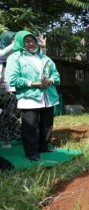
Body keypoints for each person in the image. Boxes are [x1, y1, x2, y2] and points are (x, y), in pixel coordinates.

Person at [6, 30, 60, 161]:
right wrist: (32, 83)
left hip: (48, 95)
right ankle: (32, 152)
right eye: (27, 41)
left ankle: (44, 145)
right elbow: (12, 79)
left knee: (47, 124)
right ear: (20, 43)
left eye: (32, 41)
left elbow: (56, 75)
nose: (31, 44)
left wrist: (50, 81)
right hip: (29, 96)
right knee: (31, 125)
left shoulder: (44, 58)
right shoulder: (15, 58)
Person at [0, 31, 47, 149]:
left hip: (22, 90)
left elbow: (42, 61)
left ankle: (22, 137)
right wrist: (18, 41)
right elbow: (4, 53)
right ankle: (6, 139)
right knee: (7, 117)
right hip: (7, 92)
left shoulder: (22, 55)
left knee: (22, 118)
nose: (14, 43)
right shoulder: (5, 55)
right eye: (12, 40)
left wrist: (42, 47)